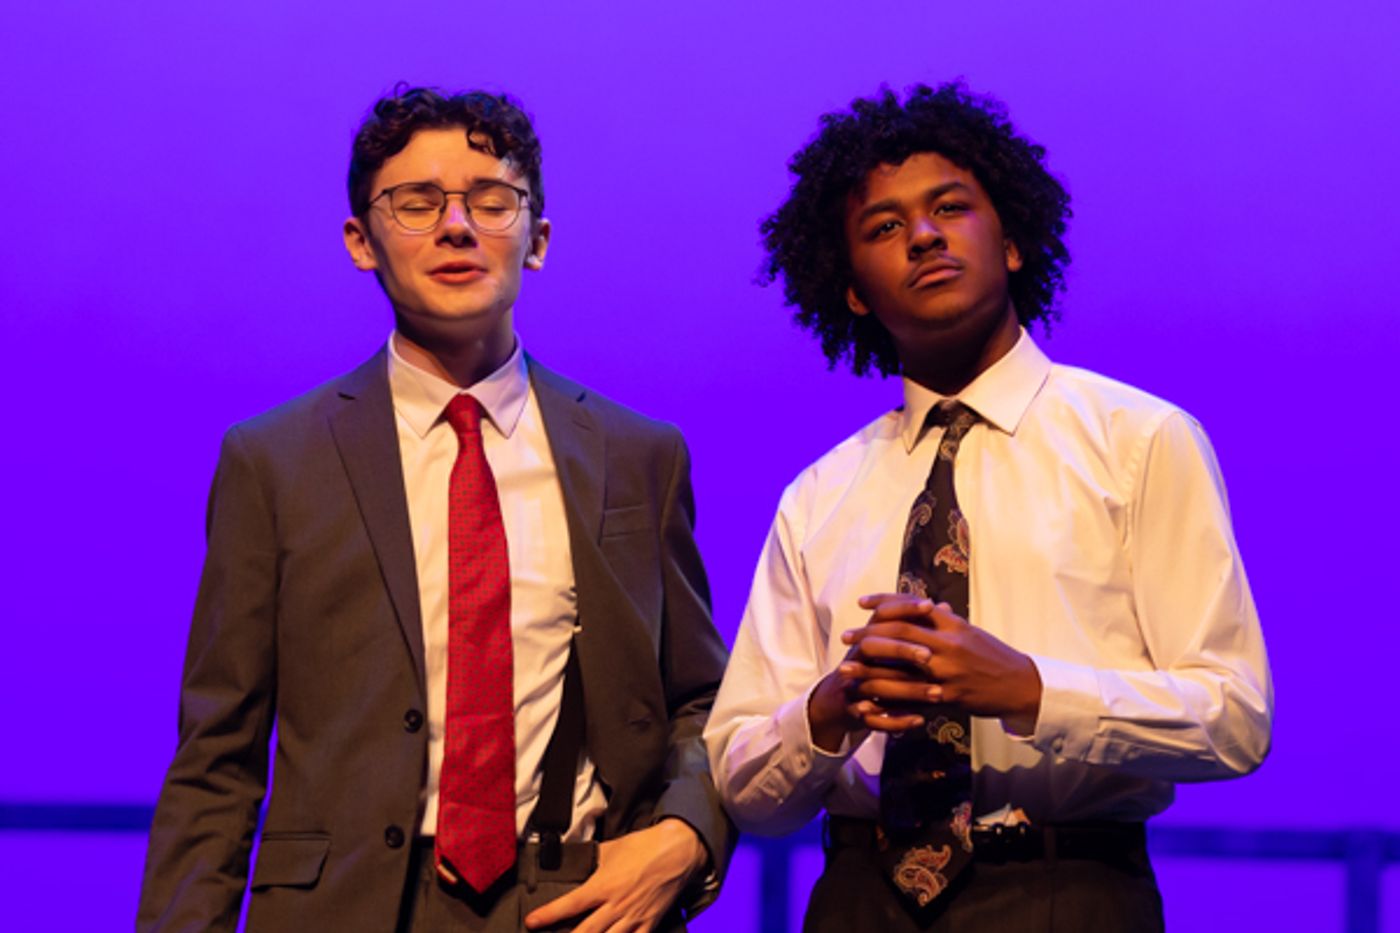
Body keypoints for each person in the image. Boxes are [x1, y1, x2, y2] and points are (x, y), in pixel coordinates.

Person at [138, 86, 733, 932]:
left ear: (537, 239)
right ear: (361, 241)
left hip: (572, 896)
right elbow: (217, 756)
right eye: (417, 203)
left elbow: (702, 700)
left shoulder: (638, 456)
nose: (457, 226)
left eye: (491, 200)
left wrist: (685, 834)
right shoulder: (274, 461)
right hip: (345, 906)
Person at [703, 82, 1271, 932]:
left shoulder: (1139, 440)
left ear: (1009, 243)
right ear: (853, 290)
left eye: (949, 208)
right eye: (884, 227)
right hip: (858, 898)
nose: (923, 235)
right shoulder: (819, 494)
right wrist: (828, 708)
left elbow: (1234, 717)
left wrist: (1030, 688)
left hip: (1067, 889)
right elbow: (745, 785)